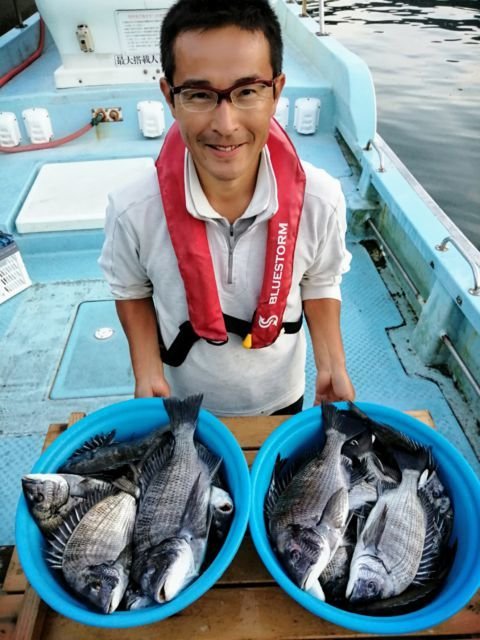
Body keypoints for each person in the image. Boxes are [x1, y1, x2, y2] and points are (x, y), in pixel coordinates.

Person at [99, 0, 355, 416]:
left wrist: (332, 365)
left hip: (281, 397)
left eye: (247, 91)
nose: (225, 124)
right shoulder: (132, 210)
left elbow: (321, 280)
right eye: (199, 95)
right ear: (169, 98)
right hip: (182, 406)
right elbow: (131, 289)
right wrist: (146, 372)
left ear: (276, 92)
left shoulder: (320, 200)